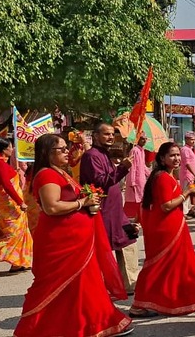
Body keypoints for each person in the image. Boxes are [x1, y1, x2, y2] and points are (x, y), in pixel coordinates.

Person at [15, 134, 133, 337]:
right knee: (51, 285)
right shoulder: (46, 175)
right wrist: (82, 204)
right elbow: (52, 207)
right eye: (61, 149)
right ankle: (32, 330)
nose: (66, 152)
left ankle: (92, 323)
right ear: (47, 153)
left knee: (83, 286)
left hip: (77, 241)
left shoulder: (61, 172)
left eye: (66, 148)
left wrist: (88, 202)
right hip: (60, 242)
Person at [129, 143, 195, 318]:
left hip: (171, 228)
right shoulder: (163, 178)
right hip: (167, 230)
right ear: (162, 158)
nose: (176, 159)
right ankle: (138, 304)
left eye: (177, 155)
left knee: (184, 265)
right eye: (172, 155)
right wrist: (186, 193)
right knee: (159, 267)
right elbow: (166, 206)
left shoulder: (163, 176)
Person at [80, 122, 139, 294]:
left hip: (116, 211)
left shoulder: (105, 154)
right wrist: (122, 168)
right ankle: (104, 286)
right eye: (106, 134)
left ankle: (130, 284)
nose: (111, 137)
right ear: (96, 136)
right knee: (105, 249)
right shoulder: (91, 156)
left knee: (128, 242)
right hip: (103, 211)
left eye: (112, 134)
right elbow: (101, 182)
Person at [0, 137, 32, 272]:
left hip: (0, 202)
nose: (13, 149)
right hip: (7, 204)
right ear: (4, 150)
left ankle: (19, 262)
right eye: (11, 147)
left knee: (20, 231)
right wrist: (20, 202)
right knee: (13, 233)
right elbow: (7, 186)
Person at [124, 133, 149, 222]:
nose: (144, 141)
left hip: (141, 178)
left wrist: (150, 174)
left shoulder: (142, 150)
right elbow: (132, 167)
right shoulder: (134, 150)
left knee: (141, 198)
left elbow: (143, 165)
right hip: (135, 179)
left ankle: (139, 217)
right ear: (137, 139)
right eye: (142, 139)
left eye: (145, 139)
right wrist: (132, 181)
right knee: (135, 199)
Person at [180, 131, 195, 218]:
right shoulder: (185, 150)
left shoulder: (189, 149)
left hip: (190, 175)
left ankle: (190, 210)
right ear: (186, 140)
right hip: (186, 175)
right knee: (185, 194)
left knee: (191, 193)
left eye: (194, 140)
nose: (193, 141)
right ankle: (183, 212)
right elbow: (187, 163)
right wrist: (194, 174)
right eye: (191, 140)